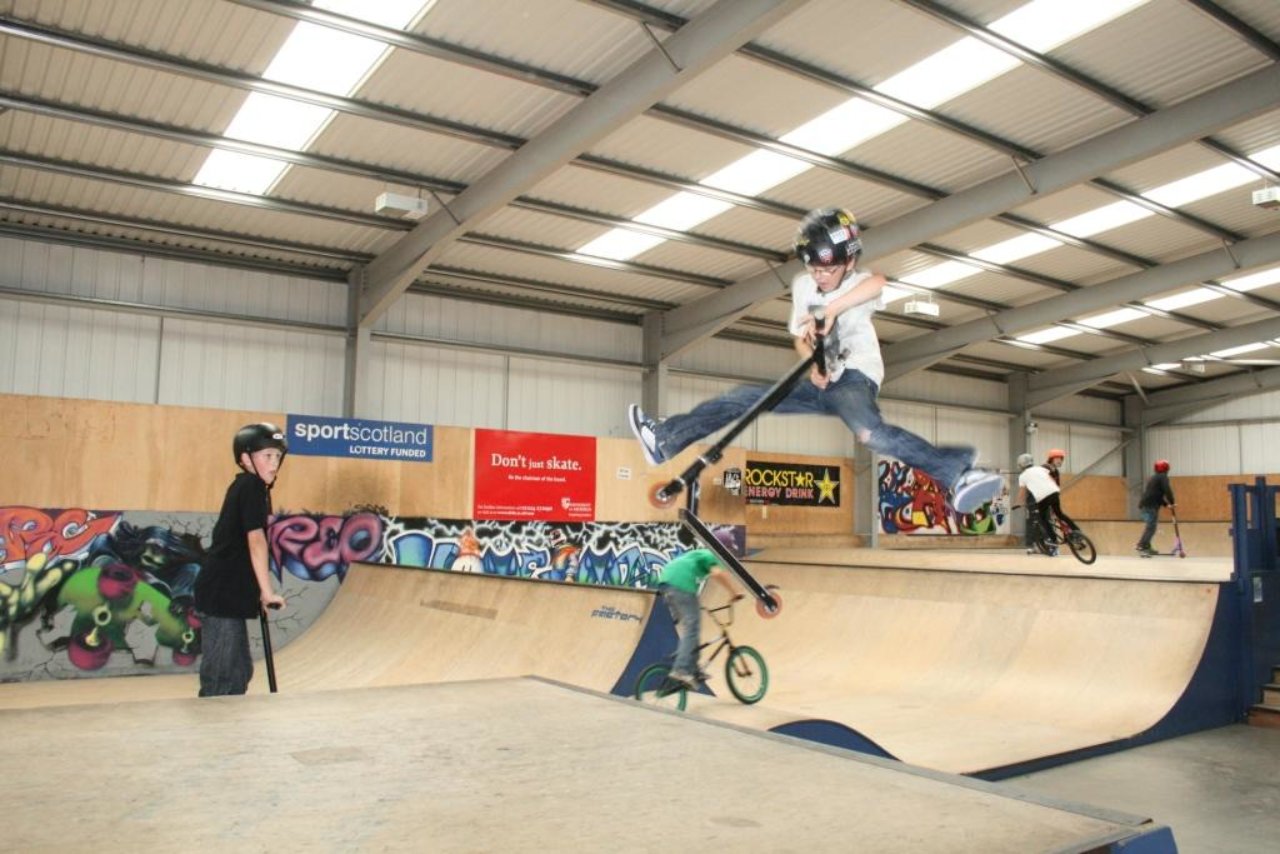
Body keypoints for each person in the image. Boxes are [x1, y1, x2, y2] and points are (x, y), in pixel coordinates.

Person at [628, 208, 1003, 515]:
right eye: (815, 270)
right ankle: (666, 441)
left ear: (849, 261)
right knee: (744, 399)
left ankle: (957, 475)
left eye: (828, 270)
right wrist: (812, 365)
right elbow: (799, 336)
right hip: (821, 384)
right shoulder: (803, 286)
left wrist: (833, 309)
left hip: (855, 378)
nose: (820, 277)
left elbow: (879, 282)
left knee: (871, 434)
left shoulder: (858, 283)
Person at [194, 423, 288, 696]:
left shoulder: (250, 487)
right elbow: (255, 540)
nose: (274, 463)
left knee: (239, 672)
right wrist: (267, 591)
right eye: (267, 456)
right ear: (245, 459)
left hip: (228, 594)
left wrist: (258, 592)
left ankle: (228, 720)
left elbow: (242, 549)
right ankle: (212, 720)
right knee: (222, 677)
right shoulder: (251, 485)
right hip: (221, 595)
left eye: (277, 456)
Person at [657, 547, 743, 687]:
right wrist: (734, 592)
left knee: (690, 628)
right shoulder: (710, 554)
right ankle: (681, 669)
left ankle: (693, 669)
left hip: (665, 584)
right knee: (692, 628)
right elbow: (718, 573)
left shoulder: (697, 556)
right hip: (680, 584)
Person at [1016, 449, 1081, 556]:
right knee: (1049, 518)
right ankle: (1043, 544)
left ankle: (1059, 539)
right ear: (1051, 459)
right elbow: (1040, 483)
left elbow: (1053, 484)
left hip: (1045, 496)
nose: (1060, 461)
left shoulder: (1054, 471)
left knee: (1048, 519)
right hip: (1042, 496)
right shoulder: (1044, 468)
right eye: (1057, 459)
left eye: (1061, 459)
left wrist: (1019, 502)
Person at [1136, 459, 1176, 556]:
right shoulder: (1163, 477)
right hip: (1150, 506)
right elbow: (1167, 490)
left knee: (1151, 526)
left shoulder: (1154, 478)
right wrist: (1172, 501)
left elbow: (1156, 495)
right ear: (1166, 468)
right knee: (1151, 527)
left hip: (1146, 505)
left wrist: (1167, 504)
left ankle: (1146, 546)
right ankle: (1141, 546)